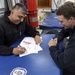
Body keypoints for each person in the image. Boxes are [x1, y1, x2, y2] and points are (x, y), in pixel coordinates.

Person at [48, 1, 75, 75]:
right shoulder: (71, 25)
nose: (60, 24)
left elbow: (63, 61)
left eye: (62, 21)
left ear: (71, 19)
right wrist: (56, 39)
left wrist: (52, 47)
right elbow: (63, 32)